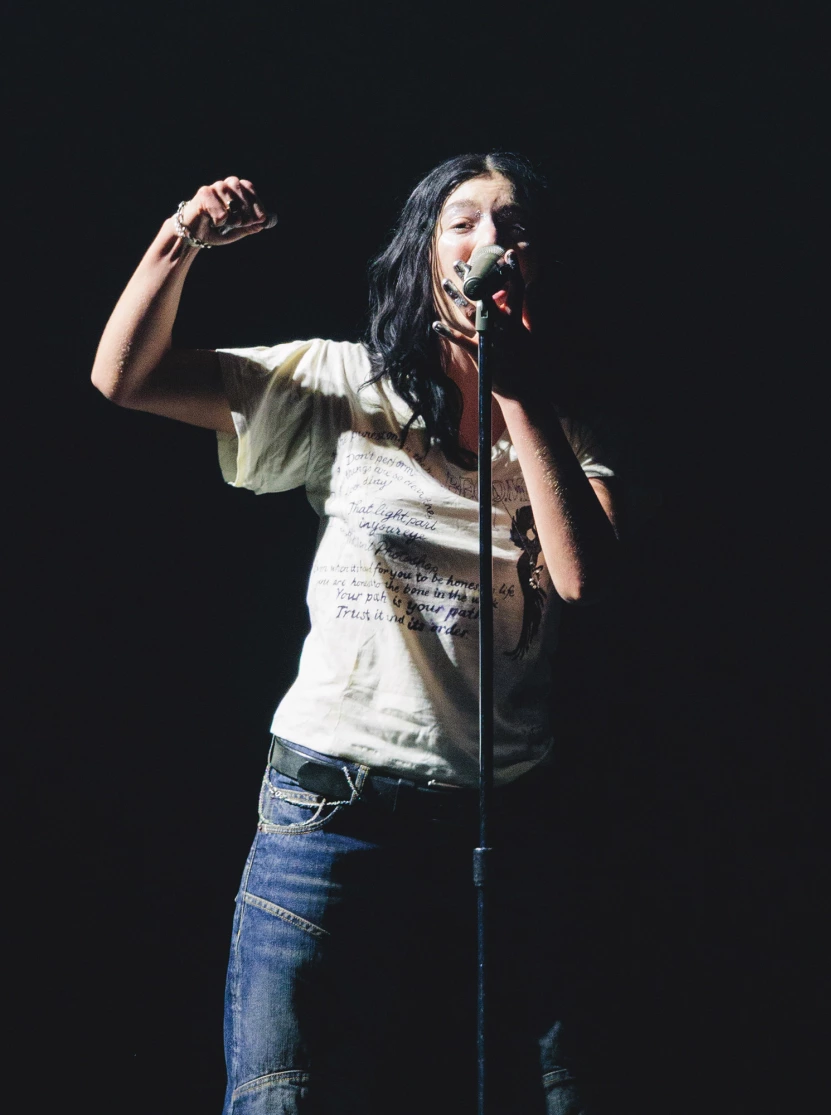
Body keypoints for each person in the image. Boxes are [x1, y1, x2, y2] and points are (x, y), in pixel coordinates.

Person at [92, 152, 618, 1114]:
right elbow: (126, 377)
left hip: (504, 822)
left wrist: (516, 387)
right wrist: (182, 240)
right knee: (284, 1097)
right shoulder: (346, 385)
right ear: (426, 254)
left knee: (549, 1092)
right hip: (332, 813)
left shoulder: (573, 426)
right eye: (464, 221)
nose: (491, 242)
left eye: (514, 227)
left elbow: (588, 582)